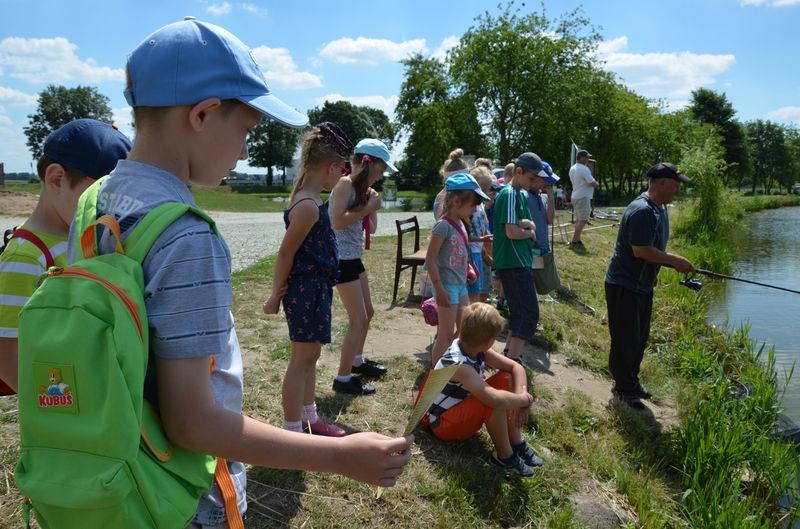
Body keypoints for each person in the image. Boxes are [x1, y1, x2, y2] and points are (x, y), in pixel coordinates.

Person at [78, 18, 411, 528]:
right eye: (247, 131)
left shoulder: (93, 199)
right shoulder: (186, 235)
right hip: (182, 492)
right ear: (204, 114)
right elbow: (192, 422)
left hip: (114, 467)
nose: (246, 151)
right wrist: (339, 458)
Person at [0, 119, 130, 395]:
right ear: (57, 179)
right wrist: (54, 404)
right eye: (102, 196)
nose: (112, 212)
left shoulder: (87, 237)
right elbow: (6, 351)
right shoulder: (27, 256)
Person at [264, 122, 355, 436]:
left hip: (317, 290)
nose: (343, 176)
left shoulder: (313, 201)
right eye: (342, 169)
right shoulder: (307, 207)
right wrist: (275, 294)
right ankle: (293, 430)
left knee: (310, 357)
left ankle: (311, 418)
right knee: (301, 360)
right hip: (306, 291)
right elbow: (285, 254)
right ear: (330, 167)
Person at [605, 162, 695, 410]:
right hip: (624, 285)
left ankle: (630, 383)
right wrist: (675, 260)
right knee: (626, 339)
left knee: (639, 339)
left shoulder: (659, 209)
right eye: (675, 185)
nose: (678, 190)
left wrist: (673, 260)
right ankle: (623, 389)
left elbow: (654, 249)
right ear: (662, 183)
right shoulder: (642, 210)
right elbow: (641, 250)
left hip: (642, 286)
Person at [422, 302, 542, 477]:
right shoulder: (459, 364)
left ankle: (516, 442)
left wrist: (521, 395)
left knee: (506, 378)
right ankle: (505, 457)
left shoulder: (471, 345)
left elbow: (516, 368)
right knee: (493, 401)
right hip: (441, 424)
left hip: (458, 410)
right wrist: (526, 400)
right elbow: (494, 399)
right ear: (489, 342)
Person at [329, 138, 396, 395]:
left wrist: (372, 207)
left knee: (367, 312)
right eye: (381, 170)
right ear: (369, 164)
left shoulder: (363, 190)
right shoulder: (345, 184)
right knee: (357, 319)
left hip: (353, 259)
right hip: (341, 261)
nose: (382, 176)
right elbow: (336, 222)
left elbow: (373, 229)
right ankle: (342, 379)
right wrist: (367, 207)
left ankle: (356, 362)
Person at [426, 173, 489, 366]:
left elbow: (460, 248)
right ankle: (436, 375)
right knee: (444, 334)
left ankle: (452, 363)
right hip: (447, 287)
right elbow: (430, 259)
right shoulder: (442, 226)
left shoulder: (461, 224)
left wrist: (470, 264)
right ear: (456, 201)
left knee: (463, 329)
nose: (474, 210)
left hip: (461, 285)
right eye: (472, 205)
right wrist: (438, 287)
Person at [493, 153, 548, 363]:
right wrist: (530, 233)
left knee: (519, 312)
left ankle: (509, 356)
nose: (535, 183)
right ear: (518, 172)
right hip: (513, 261)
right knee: (529, 314)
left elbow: (516, 220)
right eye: (532, 178)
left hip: (517, 261)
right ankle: (513, 361)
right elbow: (511, 231)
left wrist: (528, 223)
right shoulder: (510, 194)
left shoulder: (518, 193)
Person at [467, 166, 493, 303]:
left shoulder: (481, 204)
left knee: (482, 289)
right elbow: (466, 233)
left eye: (486, 190)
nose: (483, 193)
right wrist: (482, 239)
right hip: (471, 252)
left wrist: (484, 245)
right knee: (473, 292)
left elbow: (483, 225)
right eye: (481, 189)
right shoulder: (470, 206)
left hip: (479, 250)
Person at [524, 161, 559, 258]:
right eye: (546, 180)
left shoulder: (543, 197)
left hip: (544, 247)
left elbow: (550, 220)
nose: (549, 183)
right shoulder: (524, 196)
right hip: (531, 248)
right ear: (534, 178)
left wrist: (551, 198)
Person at [568, 149, 598, 248]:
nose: (588, 159)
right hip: (583, 197)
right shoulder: (583, 168)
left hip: (576, 196)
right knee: (584, 219)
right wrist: (596, 183)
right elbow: (591, 182)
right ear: (580, 157)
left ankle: (577, 239)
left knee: (579, 219)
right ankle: (574, 240)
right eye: (586, 157)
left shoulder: (573, 168)